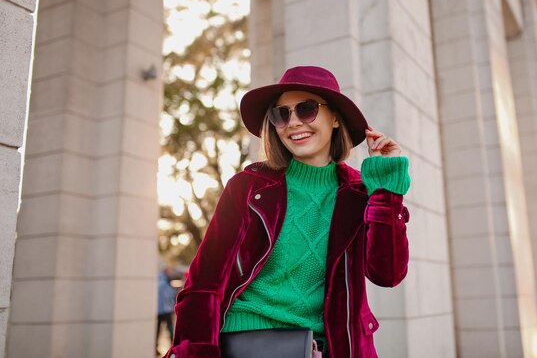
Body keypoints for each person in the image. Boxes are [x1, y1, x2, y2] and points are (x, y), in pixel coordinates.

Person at [164, 66, 410, 358]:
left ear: (334, 118)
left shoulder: (359, 193)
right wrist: (198, 351)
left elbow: (387, 274)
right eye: (281, 114)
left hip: (331, 348)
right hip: (245, 343)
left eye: (306, 109)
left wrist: (386, 189)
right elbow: (203, 283)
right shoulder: (247, 188)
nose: (293, 122)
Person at [157, 265, 177, 354]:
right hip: (166, 310)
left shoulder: (158, 280)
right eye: (169, 271)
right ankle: (173, 346)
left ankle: (155, 346)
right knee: (170, 328)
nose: (171, 273)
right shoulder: (165, 283)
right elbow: (170, 296)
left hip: (158, 310)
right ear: (166, 271)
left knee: (157, 329)